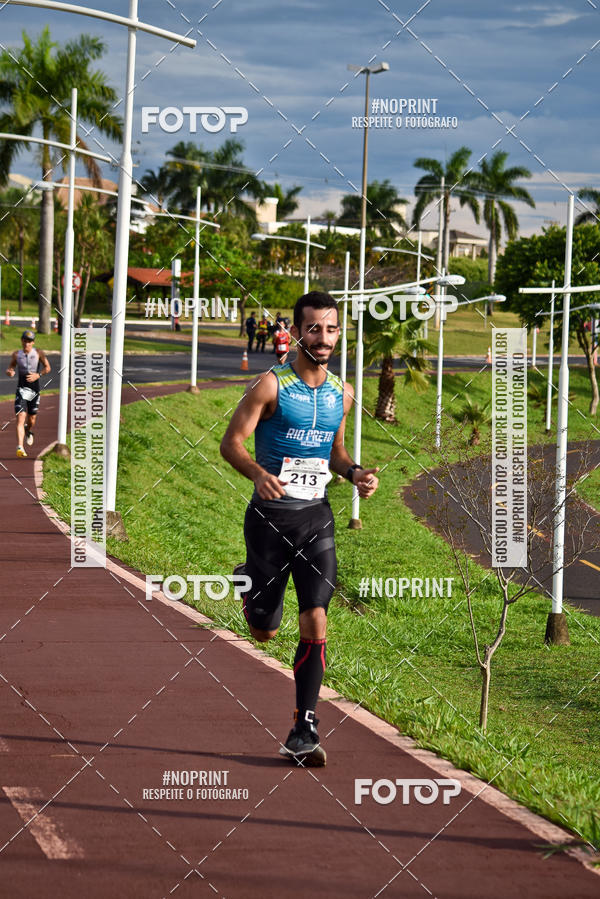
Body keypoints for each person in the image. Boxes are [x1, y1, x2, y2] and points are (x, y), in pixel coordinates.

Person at [220, 291, 379, 766]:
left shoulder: (342, 393)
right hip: (269, 520)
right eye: (314, 329)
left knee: (316, 614)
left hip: (315, 517)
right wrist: (257, 474)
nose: (324, 338)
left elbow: (334, 452)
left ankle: (303, 727)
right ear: (297, 331)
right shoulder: (270, 386)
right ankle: (248, 585)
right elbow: (231, 444)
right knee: (265, 631)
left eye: (331, 329)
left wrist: (354, 473)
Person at [5, 330, 51, 458]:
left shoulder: (38, 353)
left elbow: (48, 367)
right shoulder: (16, 355)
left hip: (34, 391)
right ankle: (20, 446)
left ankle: (29, 431)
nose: (27, 343)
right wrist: (10, 372)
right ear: (22, 341)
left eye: (29, 341)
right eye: (25, 340)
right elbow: (11, 367)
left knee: (32, 419)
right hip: (21, 390)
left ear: (33, 342)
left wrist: (38, 375)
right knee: (20, 418)